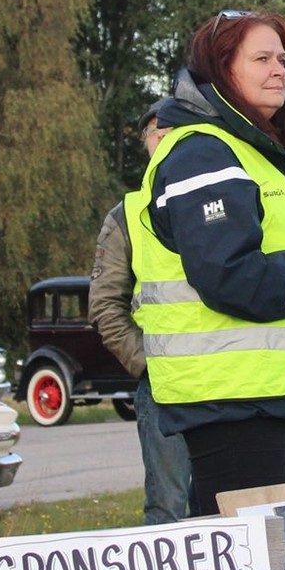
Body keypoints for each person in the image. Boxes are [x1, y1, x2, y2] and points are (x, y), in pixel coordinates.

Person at [133, 10, 285, 518]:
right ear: (222, 69)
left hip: (275, 396)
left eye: (283, 60)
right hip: (231, 400)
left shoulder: (264, 152)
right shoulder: (203, 154)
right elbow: (231, 278)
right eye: (262, 59)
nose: (280, 72)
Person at [89, 99, 193, 526]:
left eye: (175, 132)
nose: (165, 140)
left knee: (227, 507)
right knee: (167, 511)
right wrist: (146, 363)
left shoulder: (227, 197)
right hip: (165, 387)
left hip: (230, 383)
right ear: (146, 143)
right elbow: (105, 305)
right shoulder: (128, 214)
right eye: (157, 133)